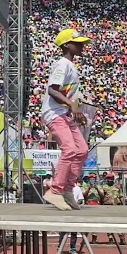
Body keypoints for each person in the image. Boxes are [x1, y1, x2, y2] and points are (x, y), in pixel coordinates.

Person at [40, 28, 90, 211]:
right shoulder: (62, 64)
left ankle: (68, 188)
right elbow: (52, 90)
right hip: (53, 113)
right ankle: (55, 191)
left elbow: (66, 94)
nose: (82, 45)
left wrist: (75, 111)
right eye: (78, 43)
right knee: (69, 149)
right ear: (67, 45)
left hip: (63, 113)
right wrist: (72, 105)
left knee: (82, 149)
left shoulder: (71, 65)